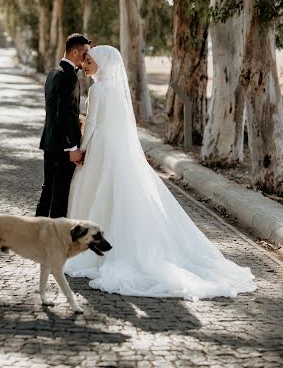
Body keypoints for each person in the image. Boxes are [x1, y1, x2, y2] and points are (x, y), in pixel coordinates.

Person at [65, 45, 256, 300]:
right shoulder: (117, 90)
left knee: (95, 191)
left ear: (103, 64)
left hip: (101, 149)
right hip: (118, 149)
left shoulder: (97, 89)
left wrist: (81, 149)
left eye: (89, 61)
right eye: (85, 61)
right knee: (118, 197)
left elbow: (95, 125)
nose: (85, 65)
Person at [36, 33, 91, 218]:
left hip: (50, 141)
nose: (87, 57)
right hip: (62, 147)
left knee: (48, 190)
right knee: (59, 195)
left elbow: (57, 110)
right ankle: (53, 239)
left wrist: (77, 120)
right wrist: (72, 147)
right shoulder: (69, 78)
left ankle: (35, 232)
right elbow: (64, 114)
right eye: (85, 53)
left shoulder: (53, 73)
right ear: (74, 52)